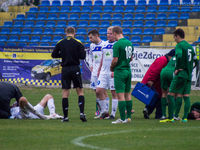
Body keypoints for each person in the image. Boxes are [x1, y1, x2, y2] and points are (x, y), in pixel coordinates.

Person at [162, 28, 198, 123]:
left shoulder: (179, 45)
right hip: (188, 75)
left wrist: (178, 68)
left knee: (170, 94)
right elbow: (196, 61)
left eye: (174, 37)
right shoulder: (190, 47)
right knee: (185, 96)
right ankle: (184, 118)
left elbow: (179, 55)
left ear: (177, 36)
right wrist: (189, 69)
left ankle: (171, 118)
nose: (174, 39)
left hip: (181, 74)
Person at [51, 27, 87, 122]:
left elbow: (53, 55)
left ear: (66, 33)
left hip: (65, 69)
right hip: (75, 67)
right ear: (74, 33)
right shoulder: (78, 42)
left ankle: (66, 117)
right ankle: (82, 113)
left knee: (65, 93)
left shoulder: (61, 42)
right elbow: (83, 56)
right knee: (80, 91)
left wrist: (63, 55)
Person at [142, 49, 175, 119]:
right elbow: (155, 71)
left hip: (158, 82)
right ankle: (156, 113)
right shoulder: (162, 60)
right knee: (158, 97)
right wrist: (151, 80)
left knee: (158, 97)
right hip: (153, 81)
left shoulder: (165, 60)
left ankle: (148, 110)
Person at [110, 26, 134, 124]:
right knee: (128, 94)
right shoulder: (129, 43)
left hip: (120, 71)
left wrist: (111, 67)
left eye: (112, 34)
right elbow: (131, 58)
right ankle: (128, 117)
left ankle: (122, 119)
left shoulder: (117, 44)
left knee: (120, 95)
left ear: (115, 33)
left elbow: (115, 60)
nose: (112, 36)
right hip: (128, 71)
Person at [95, 26, 118, 120]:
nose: (108, 35)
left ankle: (113, 114)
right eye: (107, 33)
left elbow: (118, 59)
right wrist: (99, 69)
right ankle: (105, 112)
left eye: (110, 33)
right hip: (103, 72)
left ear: (115, 34)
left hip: (112, 72)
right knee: (98, 91)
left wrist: (115, 70)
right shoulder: (104, 44)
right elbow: (102, 58)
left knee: (114, 92)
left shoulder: (117, 44)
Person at [88, 29, 106, 116]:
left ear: (96, 36)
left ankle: (105, 111)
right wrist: (91, 65)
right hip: (94, 72)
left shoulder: (104, 44)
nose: (90, 40)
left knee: (102, 92)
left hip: (102, 72)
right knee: (96, 92)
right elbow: (90, 56)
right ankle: (100, 111)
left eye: (91, 38)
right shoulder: (92, 45)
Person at [160, 54, 176, 120]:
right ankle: (172, 114)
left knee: (164, 93)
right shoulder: (183, 56)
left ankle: (163, 115)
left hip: (164, 71)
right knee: (174, 94)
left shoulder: (174, 56)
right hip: (172, 72)